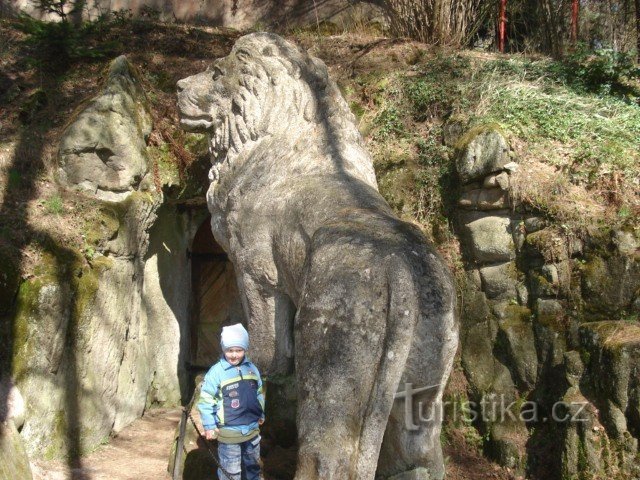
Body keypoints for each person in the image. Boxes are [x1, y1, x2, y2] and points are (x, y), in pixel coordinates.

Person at [198, 323, 265, 480]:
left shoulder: (252, 369)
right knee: (231, 473)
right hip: (229, 433)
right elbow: (206, 400)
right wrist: (209, 425)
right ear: (223, 349)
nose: (234, 355)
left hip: (252, 431)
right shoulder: (217, 372)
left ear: (245, 349)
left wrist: (260, 412)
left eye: (239, 350)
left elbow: (259, 393)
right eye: (230, 350)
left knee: (253, 468)